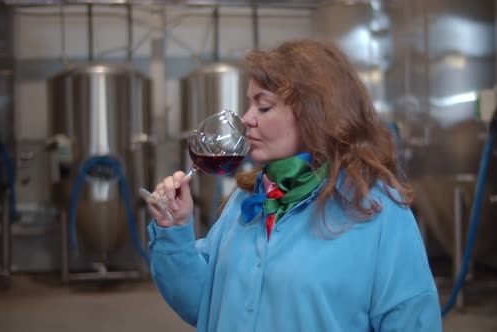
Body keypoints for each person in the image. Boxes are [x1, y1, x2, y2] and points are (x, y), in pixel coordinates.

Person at [145, 39, 442, 331]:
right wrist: (174, 230)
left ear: (315, 114)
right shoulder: (245, 202)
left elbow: (411, 318)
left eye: (263, 107)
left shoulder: (375, 209)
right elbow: (201, 304)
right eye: (250, 104)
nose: (247, 118)